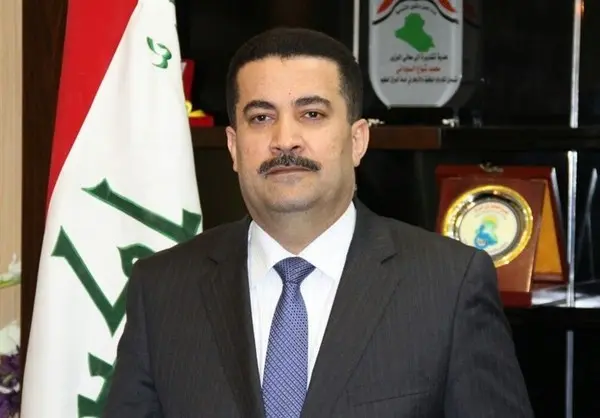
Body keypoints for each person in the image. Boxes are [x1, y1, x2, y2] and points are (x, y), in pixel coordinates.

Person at [103, 27, 534, 418]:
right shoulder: (162, 288)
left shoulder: (448, 285)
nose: (284, 140)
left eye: (311, 114)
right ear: (233, 146)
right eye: (261, 117)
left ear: (357, 140)